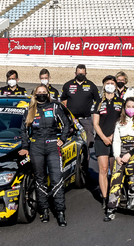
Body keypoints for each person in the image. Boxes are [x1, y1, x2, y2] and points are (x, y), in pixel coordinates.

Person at [19, 84, 74, 226]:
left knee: (57, 179)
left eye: (44, 92)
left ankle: (60, 212)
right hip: (36, 147)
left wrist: (62, 139)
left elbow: (67, 125)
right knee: (40, 180)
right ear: (35, 94)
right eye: (39, 92)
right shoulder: (30, 110)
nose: (42, 94)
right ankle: (44, 210)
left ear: (48, 94)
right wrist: (25, 147)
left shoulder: (55, 107)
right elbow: (23, 130)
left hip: (52, 146)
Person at [104, 97, 134, 221]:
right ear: (124, 108)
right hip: (122, 152)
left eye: (133, 106)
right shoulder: (119, 122)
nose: (131, 109)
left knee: (130, 167)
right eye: (128, 106)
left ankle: (132, 193)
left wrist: (130, 154)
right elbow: (116, 141)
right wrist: (117, 156)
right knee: (115, 177)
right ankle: (111, 209)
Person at [92, 76, 125, 206]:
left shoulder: (121, 102)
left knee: (115, 170)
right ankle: (105, 198)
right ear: (104, 85)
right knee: (103, 169)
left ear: (116, 86)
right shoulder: (98, 102)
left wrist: (112, 136)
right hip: (101, 139)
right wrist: (104, 138)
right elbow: (95, 123)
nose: (110, 85)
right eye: (107, 83)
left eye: (112, 83)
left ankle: (114, 195)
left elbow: (122, 121)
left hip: (116, 139)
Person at [61, 64, 100, 146]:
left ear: (86, 74)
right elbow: (63, 99)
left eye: (82, 74)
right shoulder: (68, 85)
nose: (80, 75)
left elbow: (98, 101)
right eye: (79, 73)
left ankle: (87, 158)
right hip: (71, 120)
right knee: (70, 143)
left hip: (86, 120)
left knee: (88, 144)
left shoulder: (91, 85)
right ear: (75, 73)